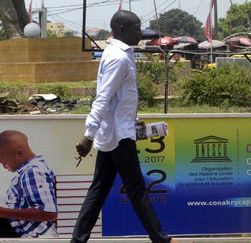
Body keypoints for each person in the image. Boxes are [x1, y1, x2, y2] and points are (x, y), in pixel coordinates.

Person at [71, 10, 172, 243]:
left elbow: (119, 99)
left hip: (114, 134)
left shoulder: (118, 52)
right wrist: (88, 135)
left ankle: (77, 240)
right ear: (123, 29)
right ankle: (161, 239)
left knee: (98, 191)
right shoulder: (118, 57)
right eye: (137, 28)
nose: (141, 32)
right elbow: (103, 98)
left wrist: (133, 121)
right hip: (118, 137)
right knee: (136, 190)